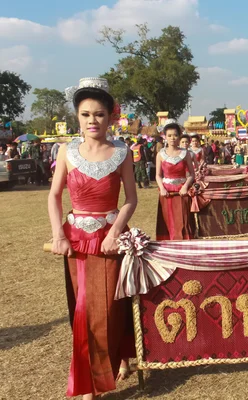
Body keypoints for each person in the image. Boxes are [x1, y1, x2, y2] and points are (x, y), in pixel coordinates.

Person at [48, 77, 137, 398]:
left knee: (112, 310)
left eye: (99, 114)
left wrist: (115, 232)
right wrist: (58, 235)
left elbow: (131, 200)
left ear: (111, 116)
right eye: (86, 114)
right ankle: (90, 386)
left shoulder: (122, 152)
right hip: (76, 243)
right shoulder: (65, 152)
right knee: (85, 310)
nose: (92, 121)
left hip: (110, 240)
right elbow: (54, 195)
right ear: (78, 117)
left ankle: (121, 358)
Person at [155, 119, 195, 240]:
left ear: (179, 136)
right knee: (167, 219)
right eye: (169, 135)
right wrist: (161, 188)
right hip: (167, 192)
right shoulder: (160, 154)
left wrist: (185, 186)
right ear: (165, 137)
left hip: (182, 191)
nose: (172, 138)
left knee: (183, 218)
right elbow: (158, 175)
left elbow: (192, 174)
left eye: (175, 135)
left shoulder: (186, 153)